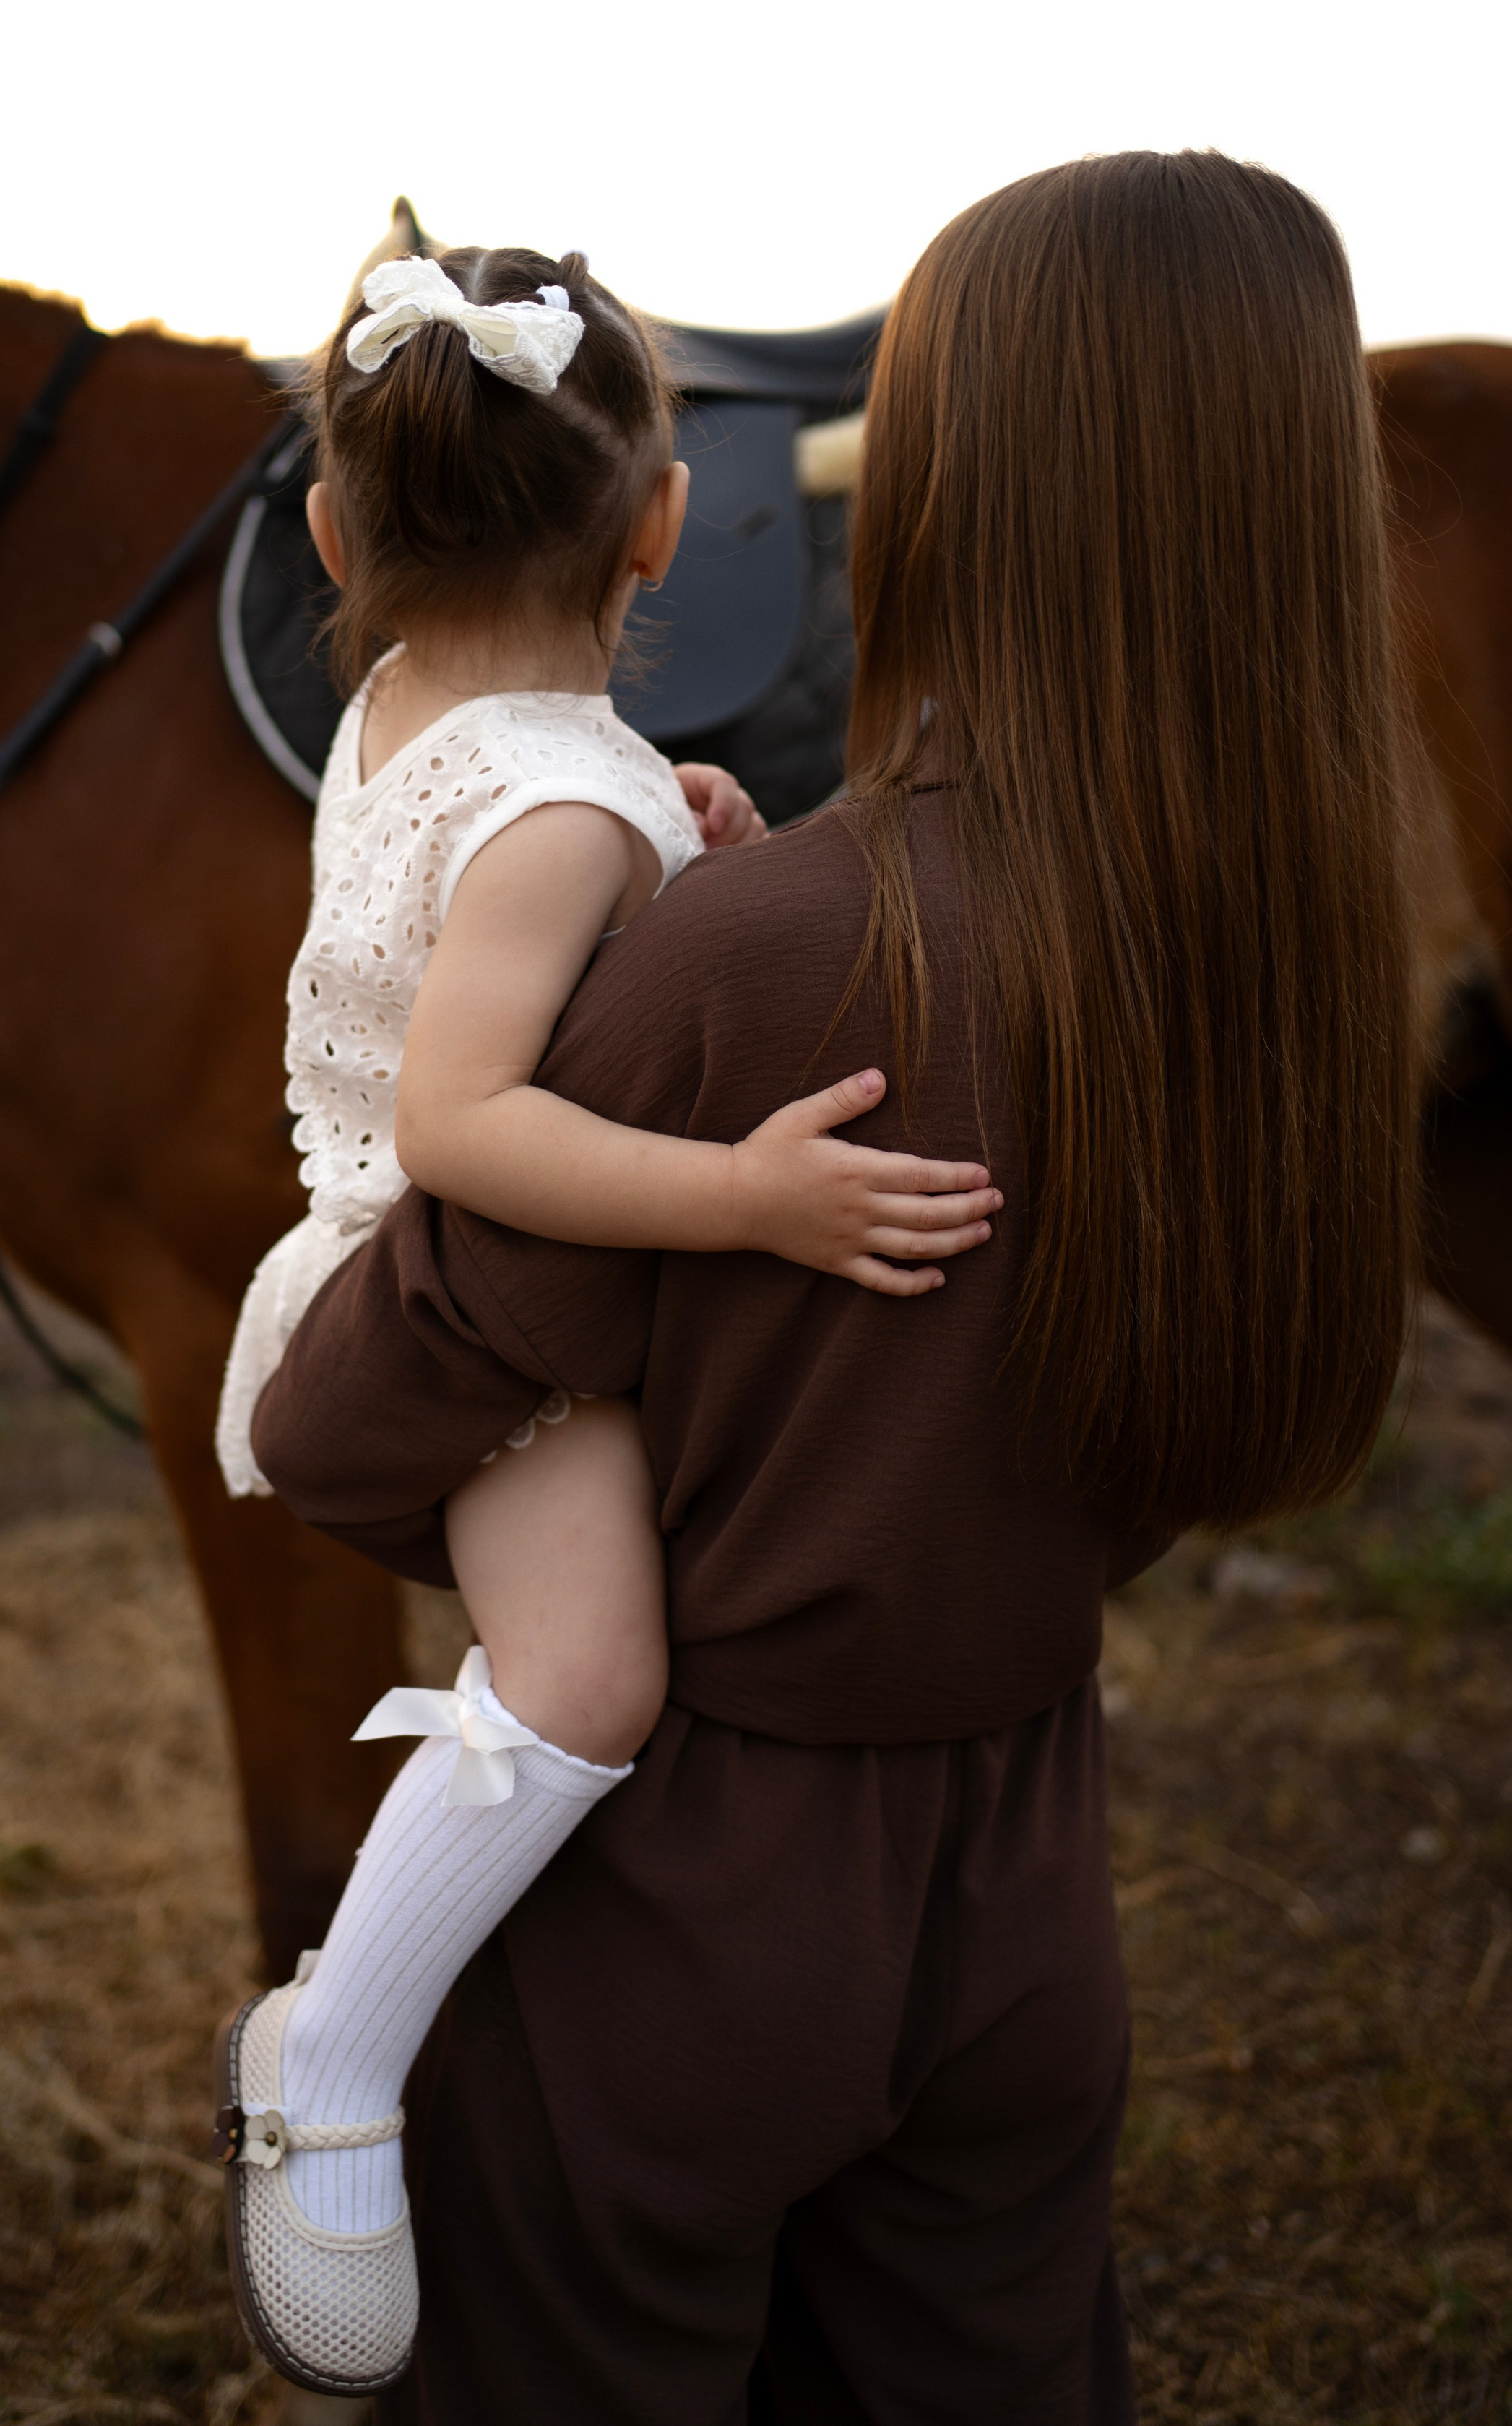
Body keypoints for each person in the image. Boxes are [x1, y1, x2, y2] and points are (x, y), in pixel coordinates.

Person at [236, 152, 1422, 2423]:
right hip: (1030, 1875)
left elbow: (344, 1427)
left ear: (950, 482)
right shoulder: (1290, 981)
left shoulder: (765, 949)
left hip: (697, 1902)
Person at [211, 244, 1004, 2396]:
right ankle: (338, 2058)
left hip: (383, 1231)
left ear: (331, 540)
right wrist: (748, 1194)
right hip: (448, 1306)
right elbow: (471, 1122)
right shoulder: (563, 800)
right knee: (585, 1682)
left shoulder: (410, 718)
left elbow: (509, 875)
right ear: (666, 524)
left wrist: (680, 834)